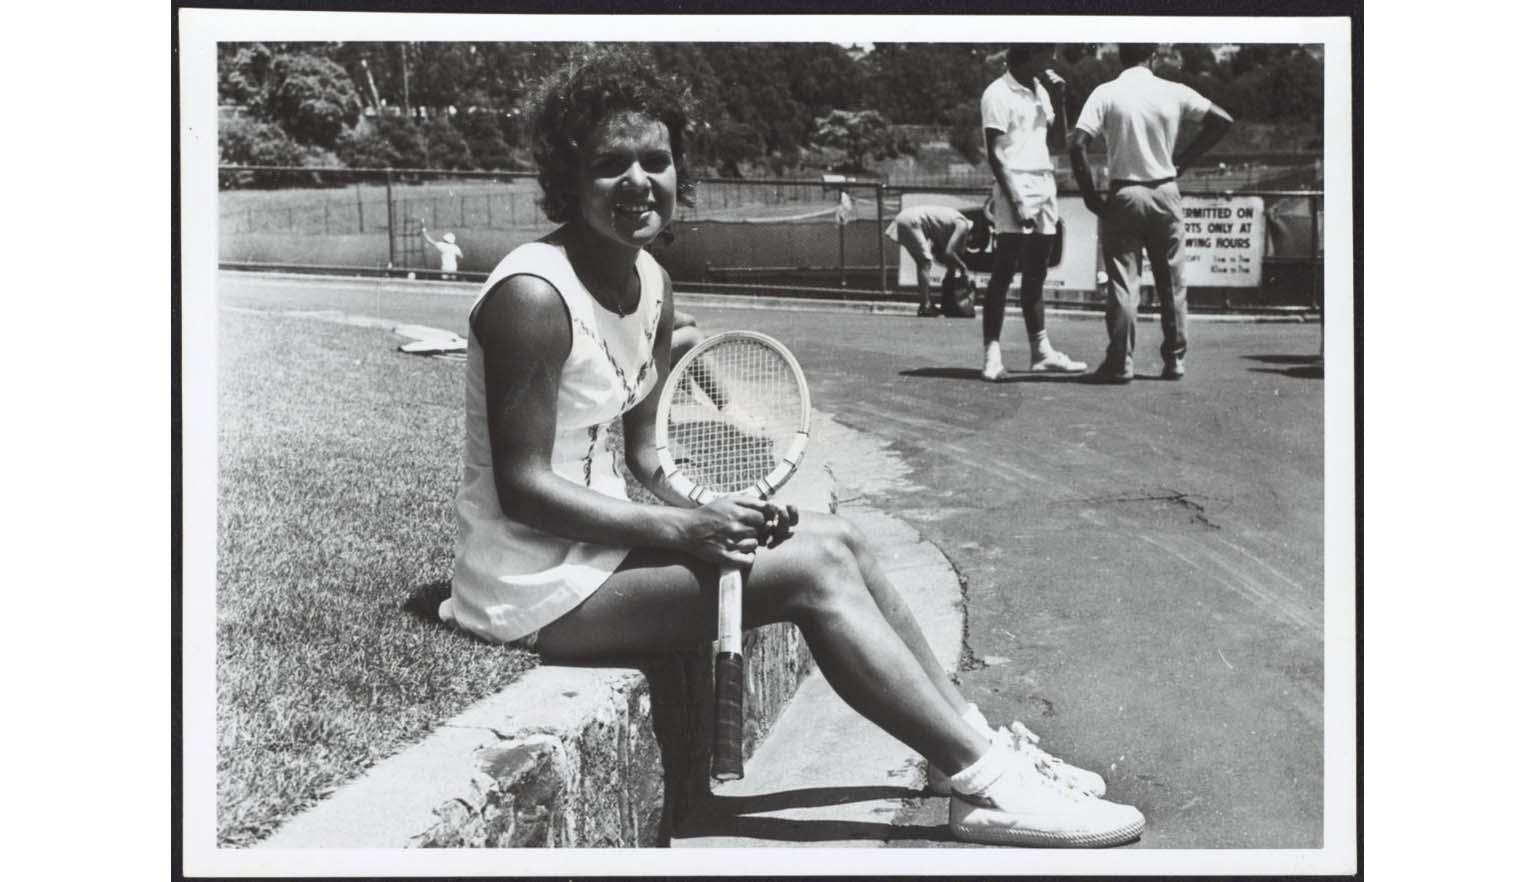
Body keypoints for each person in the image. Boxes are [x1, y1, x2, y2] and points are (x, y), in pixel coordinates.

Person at [440, 48, 1144, 848]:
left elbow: (645, 459)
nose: (637, 181)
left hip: (596, 558)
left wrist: (715, 508)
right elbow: (523, 486)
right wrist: (684, 533)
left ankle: (965, 748)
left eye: (656, 160)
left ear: (679, 172)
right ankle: (989, 788)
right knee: (814, 570)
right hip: (531, 584)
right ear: (567, 178)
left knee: (837, 536)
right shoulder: (532, 295)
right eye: (609, 165)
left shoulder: (652, 283)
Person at [1067, 43, 1233, 382]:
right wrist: (1184, 160)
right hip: (1165, 189)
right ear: (1153, 57)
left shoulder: (1106, 92)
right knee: (1171, 282)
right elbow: (1222, 120)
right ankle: (1174, 359)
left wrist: (1089, 196)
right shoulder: (1173, 90)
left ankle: (1121, 362)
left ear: (1120, 57)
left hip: (1125, 192)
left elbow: (1077, 142)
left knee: (1123, 282)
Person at [977, 45, 1088, 381]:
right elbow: (996, 154)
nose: (1052, 61)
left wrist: (1061, 97)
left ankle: (1041, 352)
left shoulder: (1041, 89)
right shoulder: (997, 93)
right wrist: (1016, 201)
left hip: (1044, 181)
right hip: (1016, 185)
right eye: (1046, 55)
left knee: (1037, 271)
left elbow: (1056, 142)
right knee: (1004, 271)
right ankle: (992, 355)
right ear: (1028, 56)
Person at [884, 205, 975, 317]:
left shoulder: (947, 226)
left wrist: (951, 274)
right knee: (925, 263)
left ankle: (925, 304)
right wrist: (963, 267)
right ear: (969, 233)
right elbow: (949, 253)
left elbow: (947, 256)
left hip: (906, 218)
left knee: (922, 262)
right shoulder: (963, 225)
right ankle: (925, 306)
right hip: (912, 221)